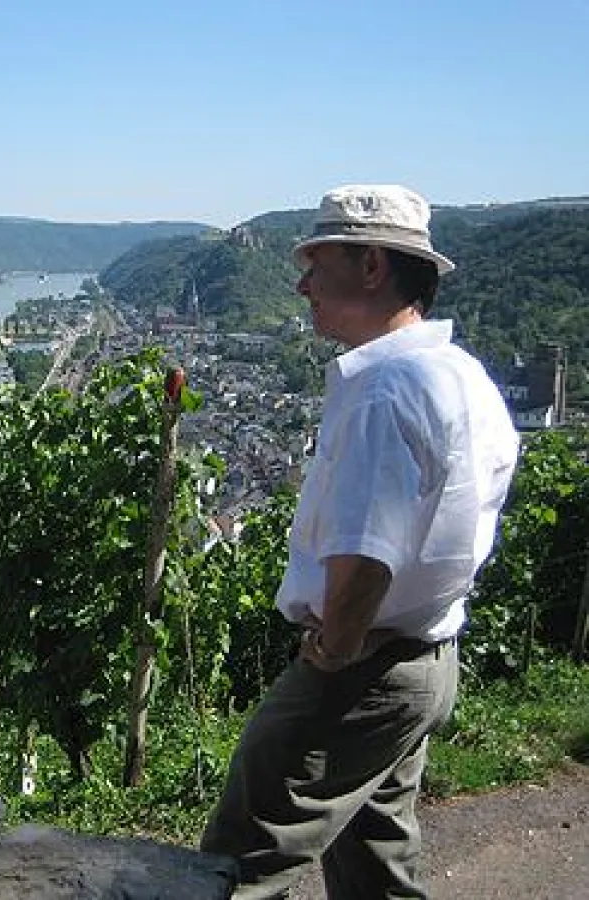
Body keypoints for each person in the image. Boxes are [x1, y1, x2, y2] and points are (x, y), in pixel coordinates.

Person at [199, 185, 519, 897]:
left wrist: (336, 648)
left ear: (372, 267)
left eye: (317, 262)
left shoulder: (383, 392)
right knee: (377, 868)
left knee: (231, 868)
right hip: (429, 656)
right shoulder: (462, 375)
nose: (301, 283)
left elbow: (370, 554)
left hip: (359, 672)